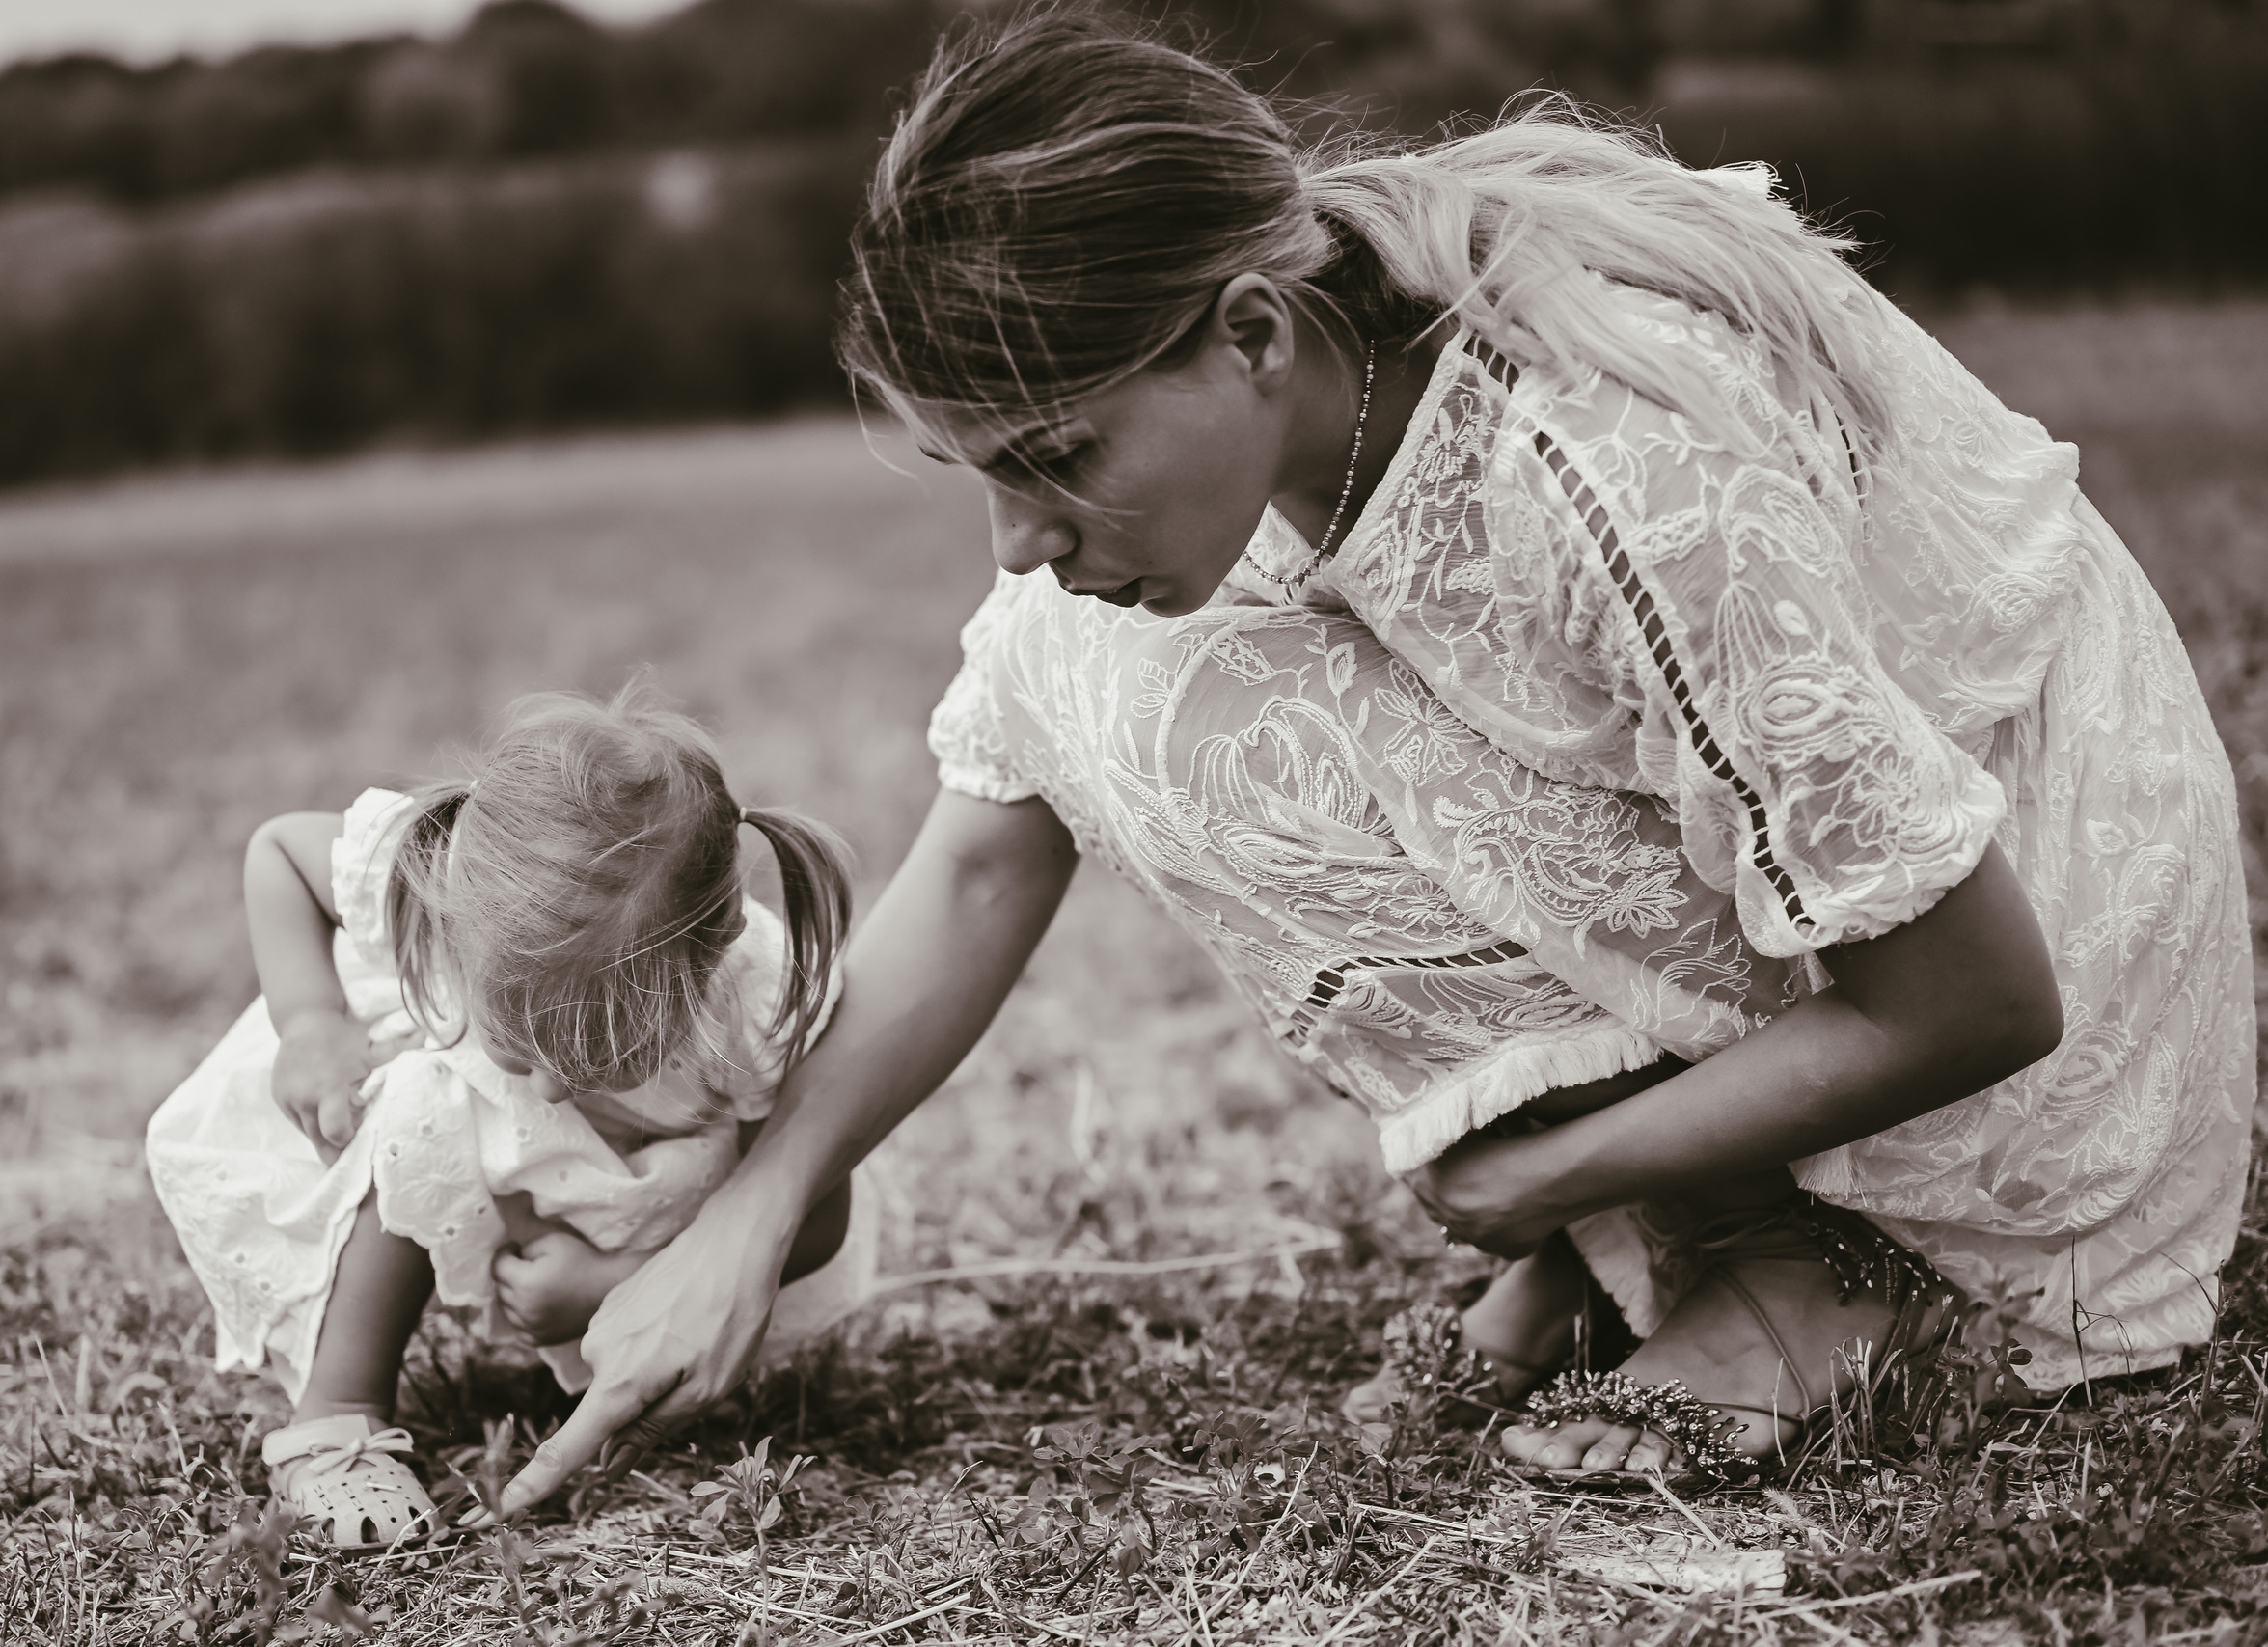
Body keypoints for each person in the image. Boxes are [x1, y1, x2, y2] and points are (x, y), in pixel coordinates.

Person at [484, 15, 2254, 1514]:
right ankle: (1667, 1224)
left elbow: (1980, 997)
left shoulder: (1616, 475)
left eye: (1058, 456)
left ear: (1253, 332)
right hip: (1859, 958)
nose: (1020, 537)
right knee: (1083, 669)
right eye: (983, 476)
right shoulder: (1306, 389)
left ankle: (1829, 1266)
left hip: (2042, 1001)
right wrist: (750, 1216)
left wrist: (1541, 1170)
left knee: (1179, 697)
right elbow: (982, 850)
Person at [147, 689, 865, 1548]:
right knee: (421, 1102)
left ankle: (620, 1358)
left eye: (606, 1055)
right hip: (471, 1148)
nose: (553, 1090)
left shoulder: (753, 1000)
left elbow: (815, 1215)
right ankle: (338, 1413)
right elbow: (278, 852)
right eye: (521, 1046)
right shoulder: (443, 870)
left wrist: (614, 1281)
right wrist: (308, 1020)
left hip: (641, 1197)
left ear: (710, 958)